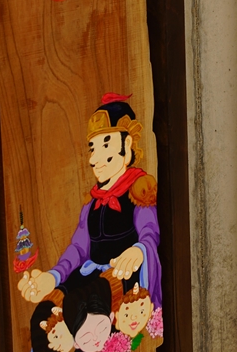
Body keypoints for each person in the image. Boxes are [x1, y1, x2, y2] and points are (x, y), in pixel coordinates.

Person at [18, 93, 161, 309]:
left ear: (127, 144)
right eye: (93, 148)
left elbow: (150, 233)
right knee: (48, 311)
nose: (94, 159)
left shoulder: (140, 188)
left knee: (82, 306)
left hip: (123, 282)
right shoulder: (93, 202)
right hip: (90, 277)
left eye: (106, 145)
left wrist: (139, 250)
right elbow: (78, 248)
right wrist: (53, 277)